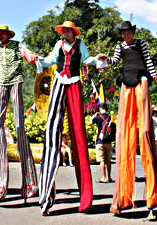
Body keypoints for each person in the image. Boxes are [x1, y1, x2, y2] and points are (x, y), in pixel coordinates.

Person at [37, 21, 106, 215]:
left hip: (74, 82)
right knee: (52, 127)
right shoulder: (59, 44)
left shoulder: (80, 44)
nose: (66, 33)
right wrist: (39, 60)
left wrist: (97, 59)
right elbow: (51, 60)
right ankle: (46, 197)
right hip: (59, 80)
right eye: (64, 30)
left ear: (73, 32)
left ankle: (85, 199)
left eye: (68, 30)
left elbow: (87, 60)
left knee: (78, 131)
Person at [99, 21, 157, 221]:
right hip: (127, 83)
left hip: (141, 80)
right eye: (124, 33)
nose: (126, 35)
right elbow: (115, 61)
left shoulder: (140, 43)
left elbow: (148, 60)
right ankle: (122, 199)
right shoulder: (120, 47)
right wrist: (104, 58)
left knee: (144, 132)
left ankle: (152, 200)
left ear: (133, 33)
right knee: (124, 136)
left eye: (129, 32)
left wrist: (152, 74)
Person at [0, 24, 38, 206]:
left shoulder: (17, 45)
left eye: (3, 33)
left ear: (7, 34)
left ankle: (29, 181)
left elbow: (28, 55)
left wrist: (35, 58)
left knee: (19, 125)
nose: (1, 36)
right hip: (1, 83)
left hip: (16, 82)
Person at [89, 102, 115, 183]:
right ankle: (109, 177)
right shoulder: (110, 117)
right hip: (109, 141)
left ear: (100, 109)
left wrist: (94, 116)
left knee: (101, 160)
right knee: (108, 160)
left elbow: (89, 123)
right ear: (107, 109)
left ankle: (103, 177)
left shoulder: (98, 118)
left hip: (100, 141)